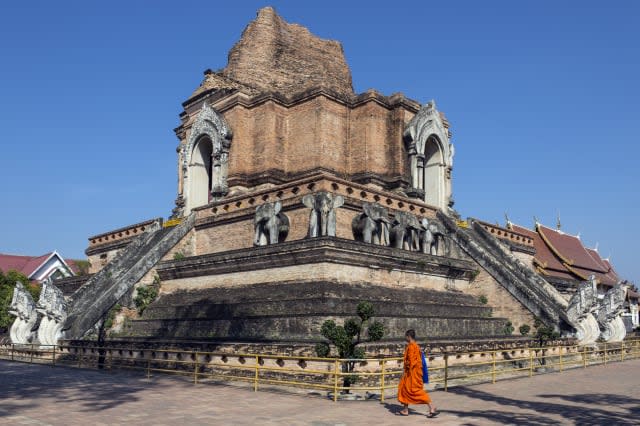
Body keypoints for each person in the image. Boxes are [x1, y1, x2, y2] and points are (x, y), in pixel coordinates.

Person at [398, 329, 439, 418]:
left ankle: (432, 407)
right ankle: (405, 410)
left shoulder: (412, 346)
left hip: (411, 373)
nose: (405, 338)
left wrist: (405, 369)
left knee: (415, 391)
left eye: (406, 336)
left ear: (409, 336)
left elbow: (412, 362)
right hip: (414, 373)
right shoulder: (416, 346)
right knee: (404, 389)